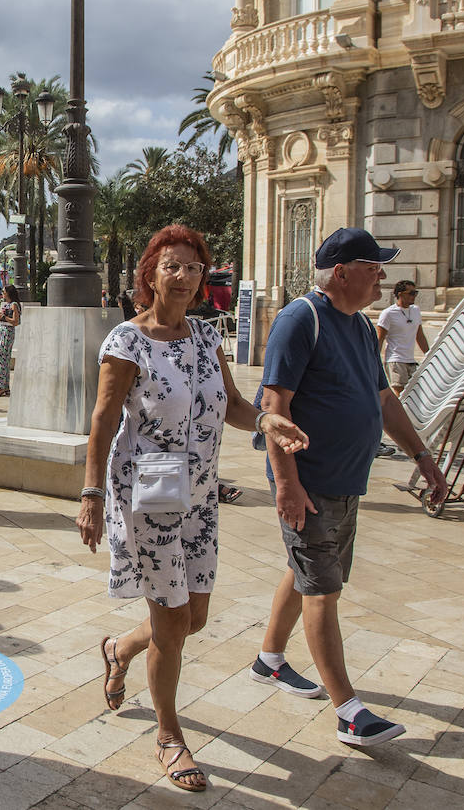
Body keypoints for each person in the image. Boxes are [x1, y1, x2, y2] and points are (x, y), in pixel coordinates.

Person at [77, 225, 308, 793]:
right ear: (150, 274)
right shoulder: (126, 342)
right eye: (172, 266)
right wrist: (90, 493)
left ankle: (118, 648)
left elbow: (229, 404)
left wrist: (266, 420)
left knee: (192, 619)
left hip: (200, 497)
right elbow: (105, 420)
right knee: (173, 622)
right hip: (148, 499)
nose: (184, 277)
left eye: (193, 267)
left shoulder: (206, 336)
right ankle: (168, 735)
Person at [250, 227, 448, 747]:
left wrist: (422, 455)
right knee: (324, 589)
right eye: (373, 266)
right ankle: (349, 712)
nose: (382, 274)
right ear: (341, 273)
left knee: (311, 571)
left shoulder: (360, 327)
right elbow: (275, 408)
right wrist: (287, 484)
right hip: (309, 482)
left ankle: (269, 659)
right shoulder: (301, 319)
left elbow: (383, 400)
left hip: (345, 481)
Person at [376, 280, 429, 394]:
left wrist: (429, 355)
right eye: (411, 293)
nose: (413, 296)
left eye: (415, 293)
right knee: (400, 394)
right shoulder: (388, 313)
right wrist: (374, 360)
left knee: (413, 394)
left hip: (410, 360)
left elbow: (420, 336)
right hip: (395, 359)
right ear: (400, 294)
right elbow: (380, 339)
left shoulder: (415, 310)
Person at [0, 284, 22, 397]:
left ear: (8, 293)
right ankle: (4, 387)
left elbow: (16, 322)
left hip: (7, 333)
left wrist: (4, 317)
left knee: (2, 360)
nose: (2, 293)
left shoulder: (14, 305)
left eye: (3, 291)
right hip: (0, 331)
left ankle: (1, 388)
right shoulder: (5, 304)